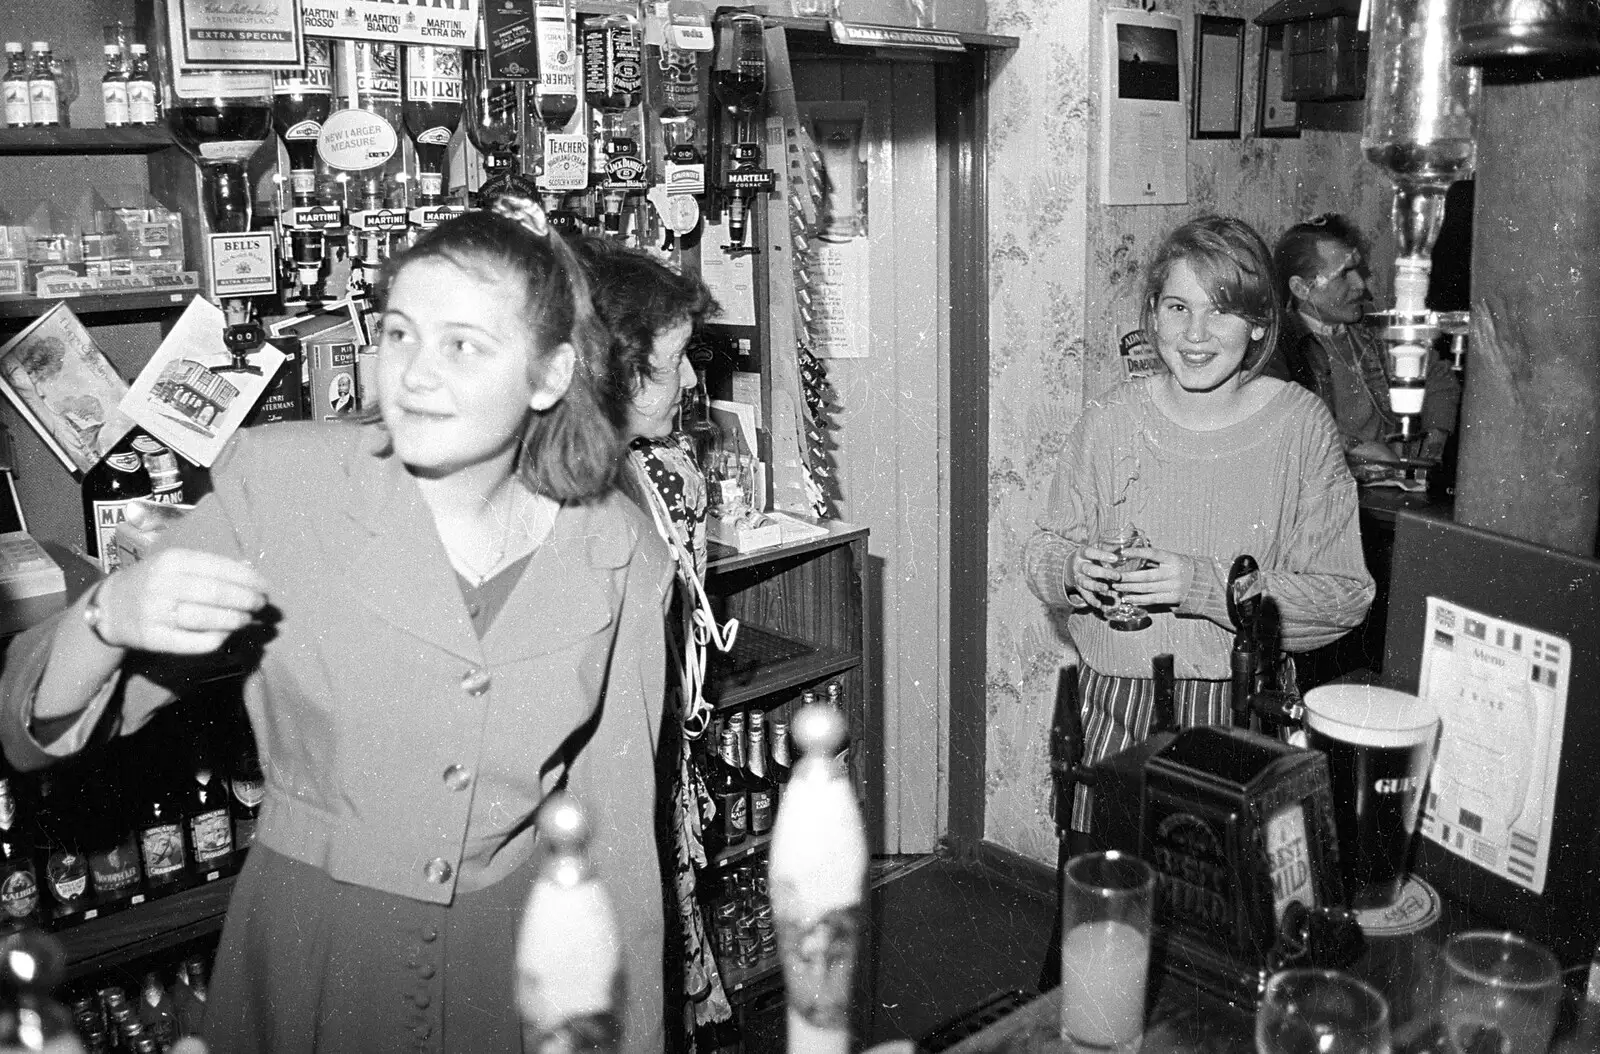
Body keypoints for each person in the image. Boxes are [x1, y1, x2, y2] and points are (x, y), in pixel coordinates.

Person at [0, 204, 673, 1054]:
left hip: (519, 972)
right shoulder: (283, 488)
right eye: (398, 334)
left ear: (549, 374)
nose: (416, 375)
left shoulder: (617, 547)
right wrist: (107, 619)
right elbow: (32, 732)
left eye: (462, 344)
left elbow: (617, 840)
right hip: (312, 960)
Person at [1023, 214, 1375, 839]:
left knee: (1222, 923)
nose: (1194, 334)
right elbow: (1044, 552)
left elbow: (1344, 598)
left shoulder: (1300, 426)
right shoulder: (1108, 420)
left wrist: (1204, 587)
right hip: (1115, 709)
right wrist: (1074, 569)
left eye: (1221, 311)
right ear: (1152, 312)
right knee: (1103, 914)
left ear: (1261, 322)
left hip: (1240, 715)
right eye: (1177, 306)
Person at [571, 235, 730, 1049]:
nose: (694, 381)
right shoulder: (577, 501)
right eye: (672, 363)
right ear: (605, 369)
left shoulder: (648, 471)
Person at [1269, 213, 1460, 465]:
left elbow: (1438, 376)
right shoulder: (1280, 345)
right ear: (1302, 288)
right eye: (1344, 273)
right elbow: (1284, 424)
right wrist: (1358, 448)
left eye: (1358, 268)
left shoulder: (1373, 322)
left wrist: (1434, 442)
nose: (1360, 284)